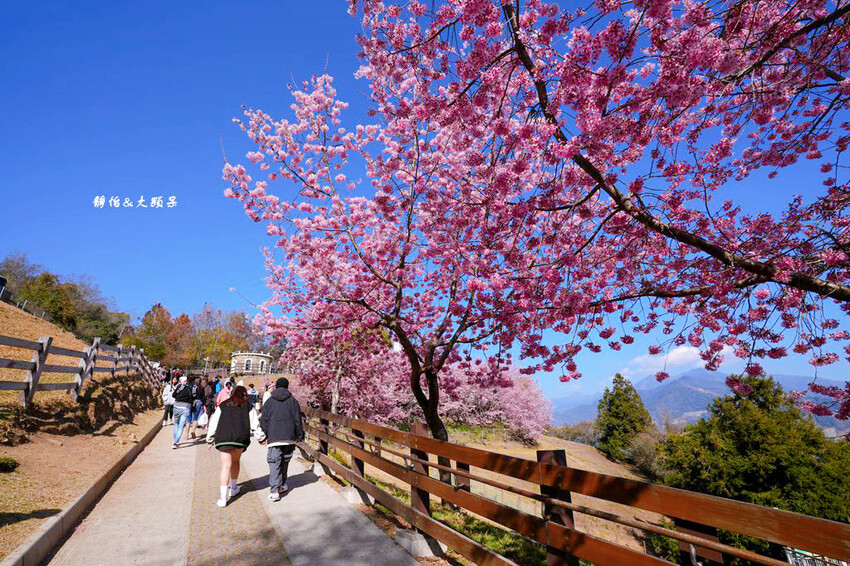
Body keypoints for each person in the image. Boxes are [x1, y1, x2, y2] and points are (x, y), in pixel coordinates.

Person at [206, 385, 264, 507]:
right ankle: (233, 488)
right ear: (244, 395)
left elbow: (214, 422)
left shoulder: (223, 405)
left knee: (225, 466)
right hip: (239, 439)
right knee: (236, 461)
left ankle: (223, 498)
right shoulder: (247, 406)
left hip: (224, 438)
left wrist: (210, 439)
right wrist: (261, 438)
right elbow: (255, 424)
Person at [259, 377, 304, 501]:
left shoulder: (270, 401)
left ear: (277, 386)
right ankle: (283, 484)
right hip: (289, 437)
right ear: (287, 386)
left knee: (274, 463)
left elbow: (264, 419)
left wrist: (265, 434)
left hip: (274, 437)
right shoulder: (293, 401)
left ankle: (274, 490)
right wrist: (299, 435)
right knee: (285, 462)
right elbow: (297, 420)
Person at [171, 375, 194, 449]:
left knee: (176, 424)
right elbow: (192, 397)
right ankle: (176, 442)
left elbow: (173, 395)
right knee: (181, 426)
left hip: (177, 406)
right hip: (186, 407)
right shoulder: (189, 388)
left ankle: (175, 441)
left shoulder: (179, 387)